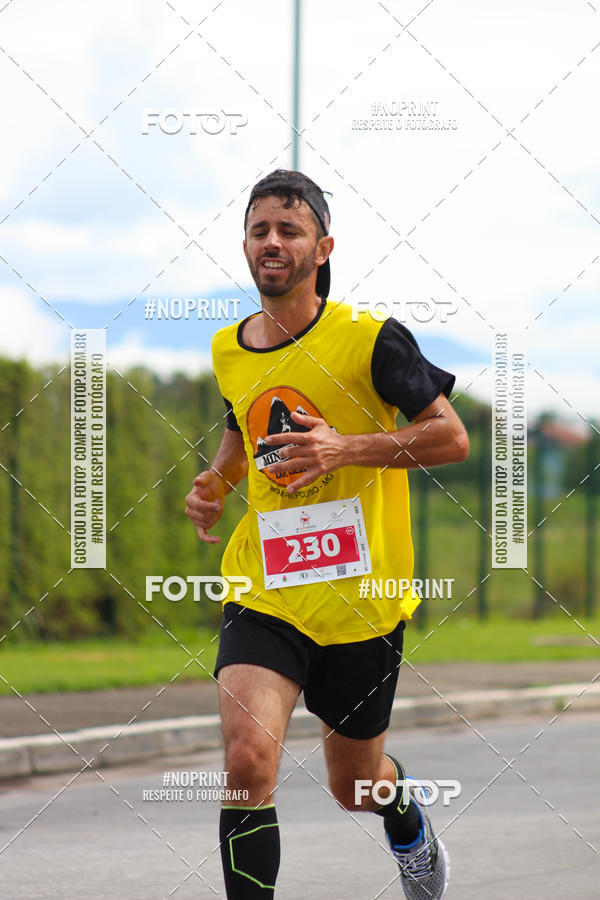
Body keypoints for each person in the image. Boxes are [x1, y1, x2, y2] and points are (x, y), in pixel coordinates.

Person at [185, 169, 469, 899]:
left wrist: (346, 448)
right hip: (268, 590)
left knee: (356, 786)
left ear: (323, 246)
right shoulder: (228, 347)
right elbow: (240, 425)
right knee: (247, 759)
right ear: (245, 245)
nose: (271, 241)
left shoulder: (372, 341)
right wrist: (218, 483)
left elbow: (450, 438)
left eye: (289, 228)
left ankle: (404, 814)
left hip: (359, 602)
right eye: (259, 229)